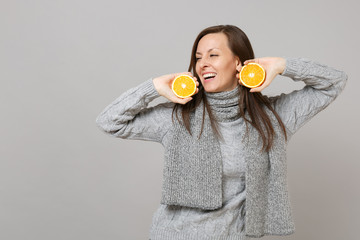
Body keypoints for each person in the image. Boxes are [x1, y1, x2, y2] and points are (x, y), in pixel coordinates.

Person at [95, 25, 347, 240]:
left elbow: (333, 83)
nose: (203, 64)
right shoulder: (177, 116)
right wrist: (152, 87)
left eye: (213, 55)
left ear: (238, 62)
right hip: (174, 234)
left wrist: (282, 65)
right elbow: (109, 121)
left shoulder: (273, 117)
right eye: (198, 57)